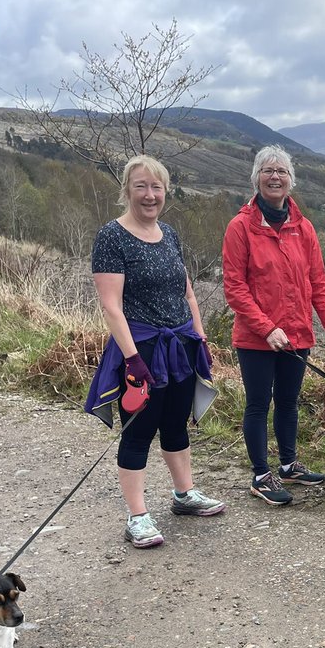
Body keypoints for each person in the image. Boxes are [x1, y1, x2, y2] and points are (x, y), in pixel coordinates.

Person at [84, 154, 226, 548]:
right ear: (127, 191)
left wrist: (200, 340)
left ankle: (184, 495)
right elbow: (111, 306)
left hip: (180, 345)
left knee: (177, 423)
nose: (150, 195)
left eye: (156, 187)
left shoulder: (170, 234)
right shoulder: (112, 237)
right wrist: (132, 360)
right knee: (139, 431)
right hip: (141, 346)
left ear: (166, 192)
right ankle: (138, 516)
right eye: (141, 186)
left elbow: (188, 293)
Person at [221, 145, 325, 506]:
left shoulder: (304, 228)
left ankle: (289, 465)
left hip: (297, 335)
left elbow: (319, 288)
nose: (275, 176)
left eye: (281, 171)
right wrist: (266, 328)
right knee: (258, 404)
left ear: (291, 180)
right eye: (267, 170)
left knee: (289, 403)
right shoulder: (240, 227)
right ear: (257, 179)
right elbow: (234, 289)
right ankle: (261, 476)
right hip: (255, 339)